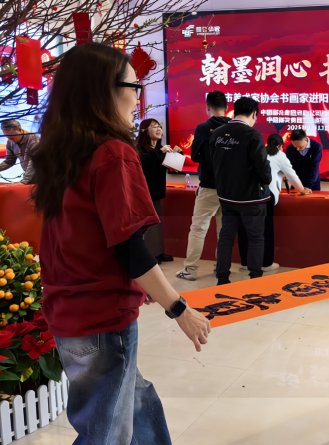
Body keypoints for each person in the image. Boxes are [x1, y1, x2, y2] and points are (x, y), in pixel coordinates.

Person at [30, 43, 210, 444]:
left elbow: (83, 237)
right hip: (101, 319)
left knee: (138, 403)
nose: (138, 97)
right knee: (107, 432)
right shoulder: (112, 153)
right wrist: (180, 309)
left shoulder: (63, 151)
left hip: (69, 310)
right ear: (105, 91)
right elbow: (129, 246)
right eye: (134, 86)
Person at [210, 96, 271, 285]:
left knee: (226, 237)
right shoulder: (252, 135)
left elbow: (213, 163)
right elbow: (262, 166)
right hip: (251, 198)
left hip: (226, 196)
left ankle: (222, 277)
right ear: (254, 114)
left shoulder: (217, 133)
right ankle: (254, 278)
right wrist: (267, 180)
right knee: (255, 237)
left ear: (234, 111)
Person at [176, 91, 230, 281]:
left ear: (207, 107)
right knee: (224, 231)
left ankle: (190, 270)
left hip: (208, 186)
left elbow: (195, 156)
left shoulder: (203, 127)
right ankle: (221, 268)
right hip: (229, 189)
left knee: (198, 229)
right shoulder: (234, 127)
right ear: (227, 107)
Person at [239, 133, 311, 271]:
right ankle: (266, 263)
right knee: (266, 229)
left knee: (246, 228)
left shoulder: (257, 151)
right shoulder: (279, 155)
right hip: (265, 195)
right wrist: (302, 190)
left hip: (246, 194)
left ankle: (245, 262)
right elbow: (292, 175)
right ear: (280, 146)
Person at [136, 118, 180, 264]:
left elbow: (173, 167)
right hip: (144, 194)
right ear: (144, 131)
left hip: (156, 193)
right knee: (149, 226)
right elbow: (145, 163)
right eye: (154, 126)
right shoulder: (139, 149)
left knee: (158, 224)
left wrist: (176, 155)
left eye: (159, 126)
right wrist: (160, 152)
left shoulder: (160, 149)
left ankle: (158, 253)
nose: (159, 129)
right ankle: (151, 255)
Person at [0, 119, 38, 184]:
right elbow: (9, 161)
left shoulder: (34, 140)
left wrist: (25, 181)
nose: (9, 139)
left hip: (44, 175)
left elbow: (34, 161)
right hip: (30, 176)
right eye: (7, 137)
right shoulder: (10, 142)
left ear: (19, 129)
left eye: (11, 137)